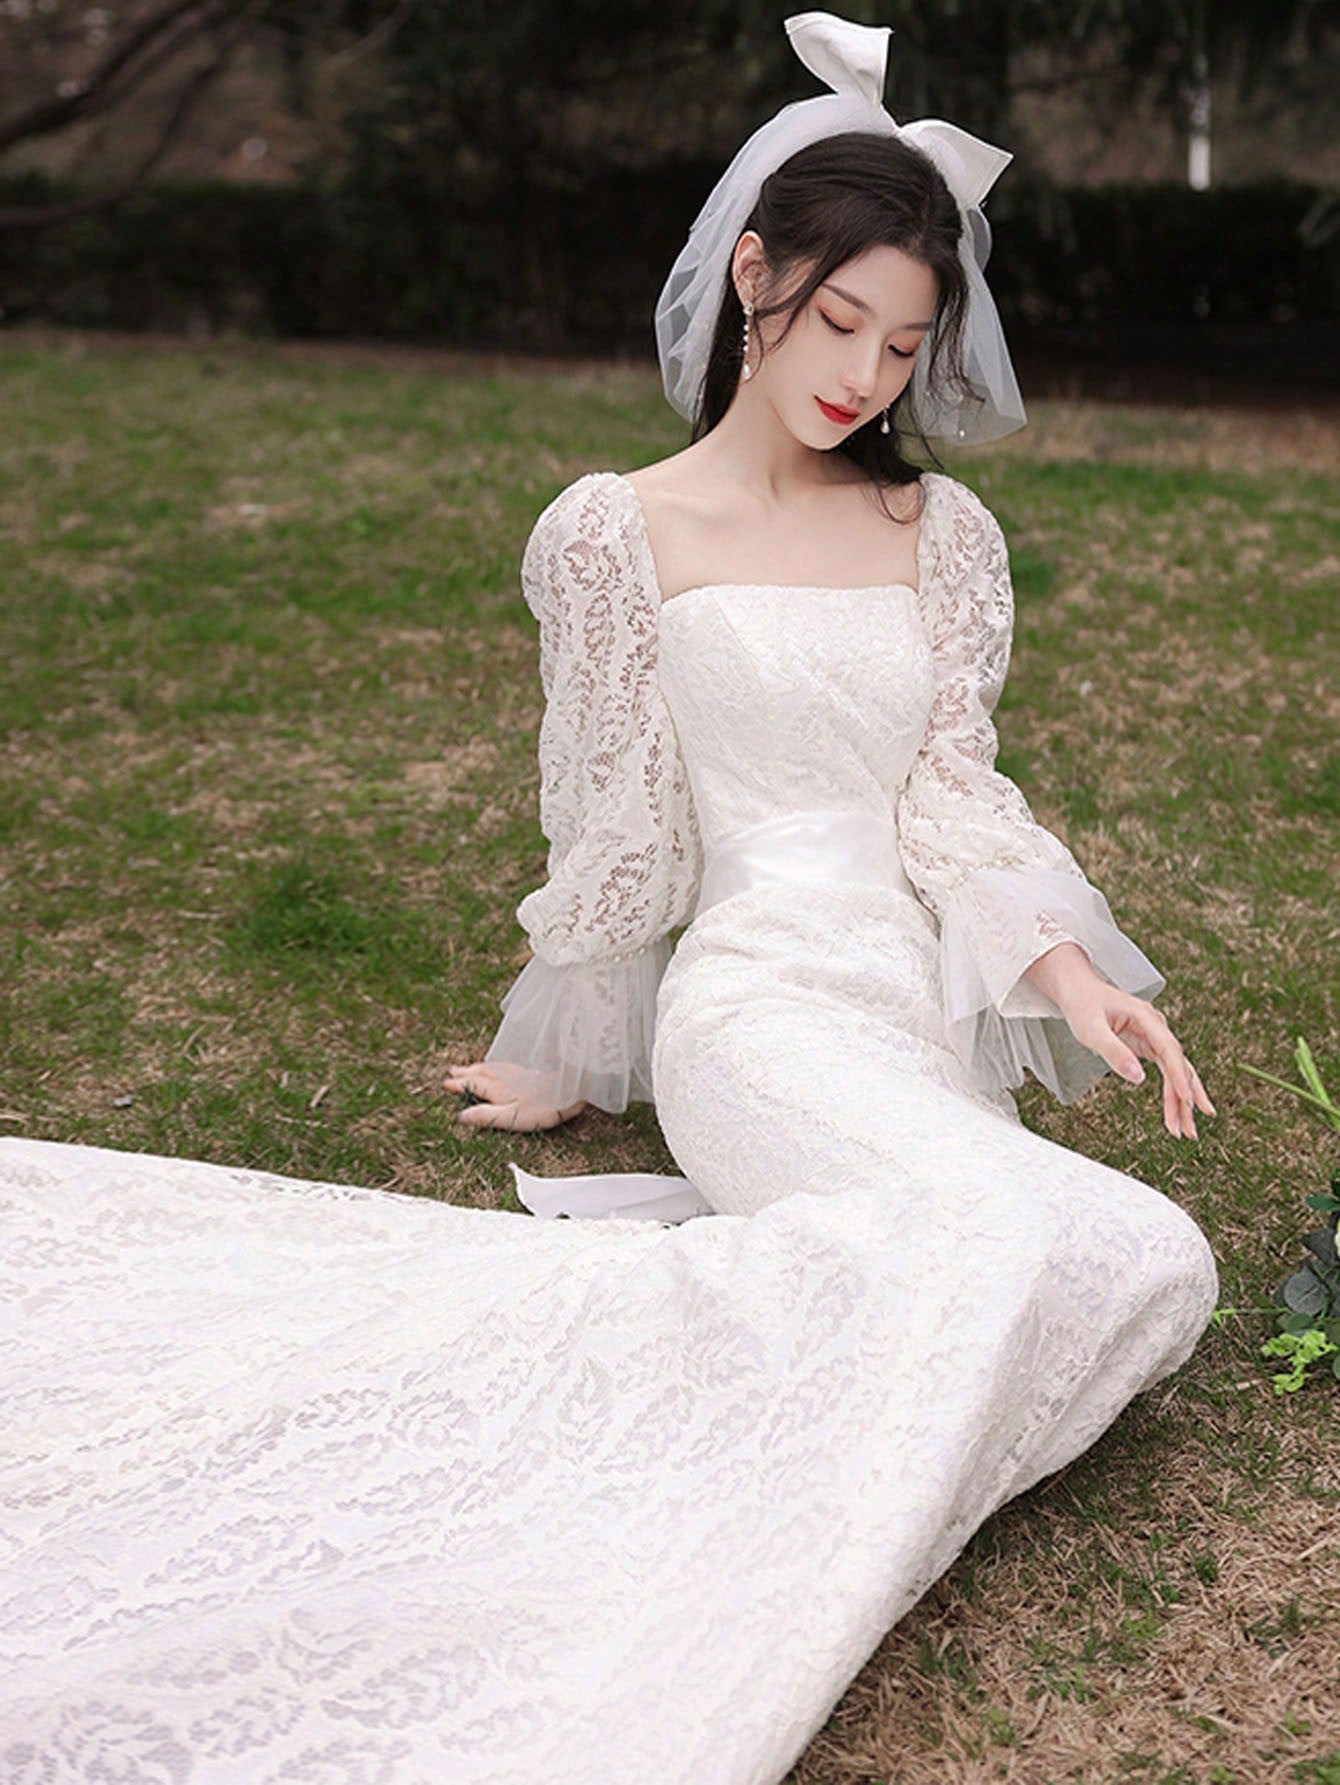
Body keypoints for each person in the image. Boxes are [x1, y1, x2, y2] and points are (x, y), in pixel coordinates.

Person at [0, 14, 1218, 1783]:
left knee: (1119, 1257)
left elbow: (951, 800)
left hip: (913, 1015)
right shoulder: (615, 532)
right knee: (1101, 1248)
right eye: (839, 322)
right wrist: (565, 1050)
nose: (866, 376)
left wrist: (1069, 975)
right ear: (754, 276)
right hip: (758, 1018)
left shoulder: (942, 536)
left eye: (903, 344)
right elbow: (621, 832)